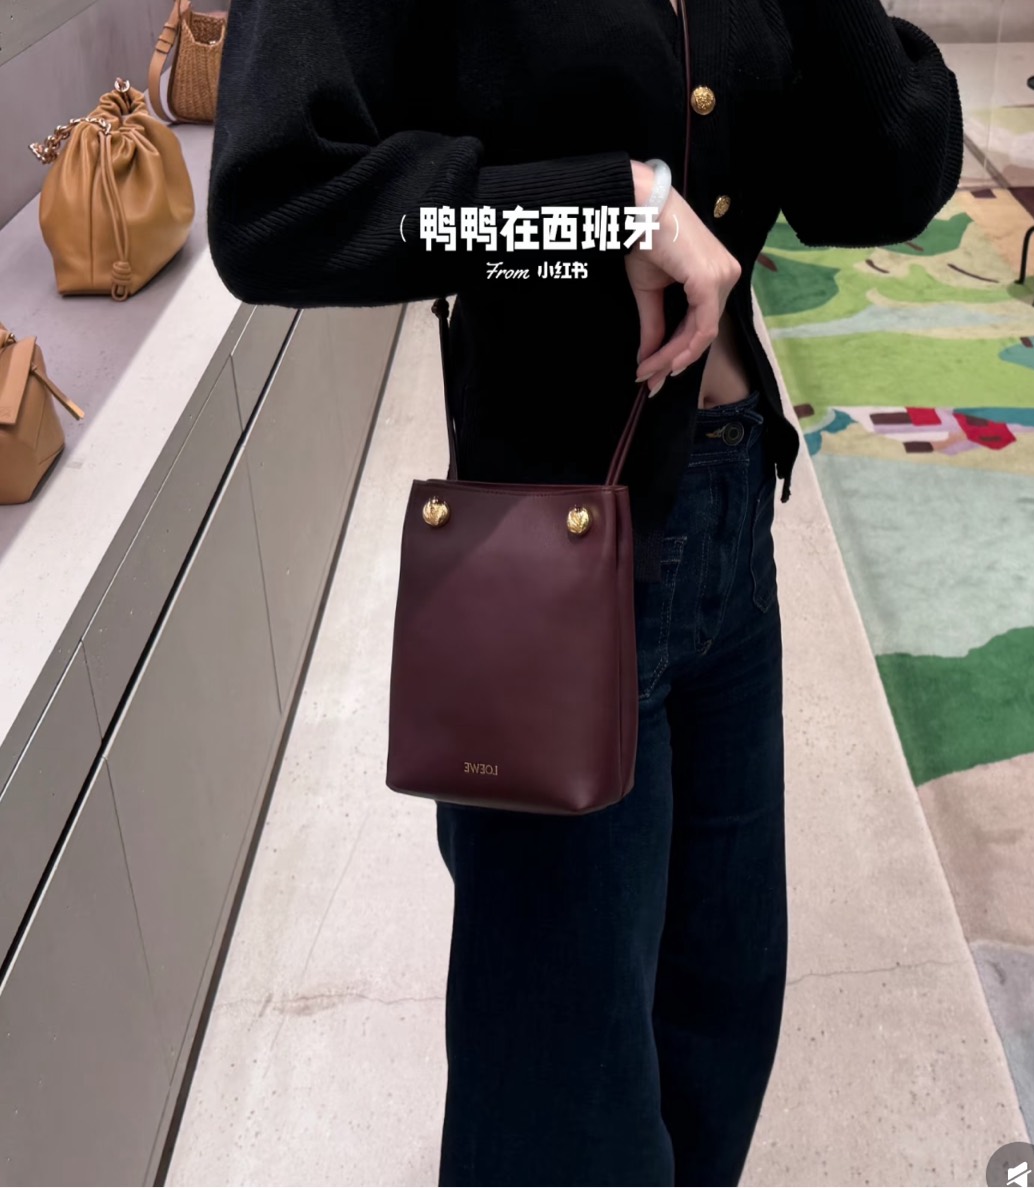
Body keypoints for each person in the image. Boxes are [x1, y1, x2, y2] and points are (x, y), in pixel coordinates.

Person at [207, 0, 964, 1183]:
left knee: (720, 1016)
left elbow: (888, 177)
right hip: (547, 549)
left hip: (730, 514)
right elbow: (277, 207)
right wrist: (605, 210)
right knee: (561, 1089)